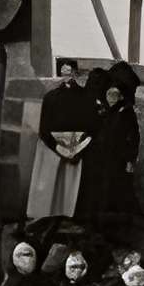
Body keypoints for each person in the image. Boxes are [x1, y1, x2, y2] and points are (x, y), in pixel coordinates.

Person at [27, 58, 97, 222]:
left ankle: (70, 218)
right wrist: (58, 147)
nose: (67, 76)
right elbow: (43, 128)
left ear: (76, 73)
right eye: (63, 72)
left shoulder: (87, 98)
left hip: (78, 146)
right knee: (50, 185)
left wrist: (79, 147)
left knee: (72, 186)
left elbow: (93, 126)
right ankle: (47, 218)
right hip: (52, 147)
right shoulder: (50, 97)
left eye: (70, 72)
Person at [84, 68, 141, 235]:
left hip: (117, 160)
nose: (111, 98)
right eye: (109, 94)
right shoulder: (104, 110)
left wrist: (130, 159)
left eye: (115, 95)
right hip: (101, 157)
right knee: (98, 191)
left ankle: (114, 228)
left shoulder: (126, 112)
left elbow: (134, 137)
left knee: (115, 192)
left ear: (121, 96)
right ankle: (97, 225)